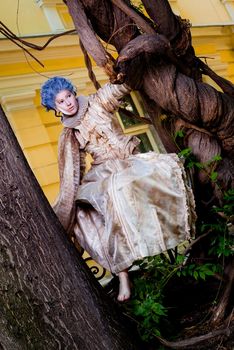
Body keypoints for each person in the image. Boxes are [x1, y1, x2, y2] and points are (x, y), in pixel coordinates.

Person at [40, 76, 196, 302]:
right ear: (55, 108)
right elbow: (75, 169)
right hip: (102, 170)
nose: (67, 103)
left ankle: (171, 245)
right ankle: (122, 272)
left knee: (119, 191)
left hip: (127, 161)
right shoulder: (70, 134)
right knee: (82, 213)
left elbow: (118, 88)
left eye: (68, 96)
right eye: (60, 102)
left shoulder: (97, 103)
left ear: (73, 93)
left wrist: (130, 71)